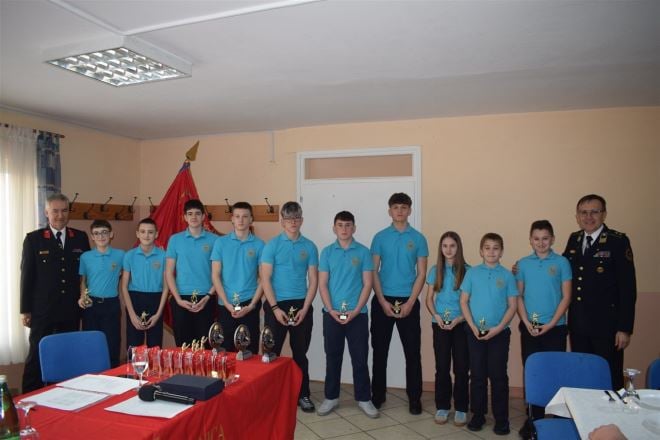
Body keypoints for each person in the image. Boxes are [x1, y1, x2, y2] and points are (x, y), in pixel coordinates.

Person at [563, 194, 636, 391]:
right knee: (583, 374)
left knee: (609, 375)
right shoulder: (574, 239)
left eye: (594, 212)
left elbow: (628, 288)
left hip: (607, 327)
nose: (588, 217)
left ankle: (612, 411)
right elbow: (561, 269)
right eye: (583, 213)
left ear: (604, 214)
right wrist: (524, 269)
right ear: (577, 216)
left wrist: (624, 328)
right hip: (578, 324)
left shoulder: (617, 241)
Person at [20, 193, 90, 393]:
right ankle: (29, 398)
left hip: (70, 309)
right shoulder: (34, 239)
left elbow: (86, 273)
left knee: (67, 354)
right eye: (55, 211)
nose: (60, 215)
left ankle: (63, 395)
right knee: (36, 355)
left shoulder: (80, 237)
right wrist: (25, 310)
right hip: (43, 310)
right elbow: (26, 277)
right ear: (46, 212)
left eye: (64, 211)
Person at [370, 192, 428, 414]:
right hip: (383, 300)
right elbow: (373, 271)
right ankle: (378, 396)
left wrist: (411, 302)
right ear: (390, 211)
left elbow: (421, 273)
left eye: (404, 207)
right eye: (396, 207)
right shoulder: (380, 237)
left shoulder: (419, 239)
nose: (400, 211)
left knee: (412, 353)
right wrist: (382, 301)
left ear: (409, 210)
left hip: (408, 301)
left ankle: (415, 398)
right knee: (379, 352)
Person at [317, 211, 378, 418]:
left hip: (357, 315)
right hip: (331, 315)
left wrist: (356, 310)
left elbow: (368, 284)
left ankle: (364, 398)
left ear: (354, 228)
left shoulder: (363, 252)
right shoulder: (326, 252)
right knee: (332, 357)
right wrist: (330, 309)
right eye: (340, 225)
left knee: (360, 358)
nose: (344, 229)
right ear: (334, 228)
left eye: (348, 225)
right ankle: (331, 397)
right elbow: (322, 284)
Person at [261, 201, 319, 412]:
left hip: (301, 305)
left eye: (296, 218)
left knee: (300, 353)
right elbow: (265, 279)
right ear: (282, 222)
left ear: (301, 220)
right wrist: (275, 308)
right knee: (271, 354)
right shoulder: (272, 245)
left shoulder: (309, 246)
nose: (293, 222)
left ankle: (303, 395)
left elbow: (313, 280)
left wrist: (305, 307)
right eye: (288, 219)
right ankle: (270, 397)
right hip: (276, 304)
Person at [516, 220, 572, 439]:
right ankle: (534, 418)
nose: (541, 243)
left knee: (556, 371)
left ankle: (558, 417)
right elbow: (519, 296)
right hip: (530, 328)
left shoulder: (562, 262)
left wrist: (550, 324)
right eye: (536, 238)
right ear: (530, 240)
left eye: (545, 238)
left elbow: (566, 297)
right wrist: (526, 322)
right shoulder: (523, 264)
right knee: (533, 372)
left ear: (552, 239)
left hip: (555, 327)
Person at [460, 233, 517, 435]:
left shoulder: (507, 276)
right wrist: (472, 326)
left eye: (495, 248)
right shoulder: (472, 273)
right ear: (481, 251)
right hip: (474, 332)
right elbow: (463, 301)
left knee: (498, 376)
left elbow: (512, 306)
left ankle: (501, 419)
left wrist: (499, 328)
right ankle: (478, 415)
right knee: (477, 375)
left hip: (499, 333)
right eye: (487, 248)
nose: (491, 252)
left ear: (501, 251)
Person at [424, 231, 469, 426]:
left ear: (458, 248)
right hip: (440, 324)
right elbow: (429, 299)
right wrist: (436, 316)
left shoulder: (468, 271)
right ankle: (442, 406)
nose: (448, 250)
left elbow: (471, 302)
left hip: (461, 324)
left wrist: (460, 319)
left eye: (452, 246)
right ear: (440, 248)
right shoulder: (435, 270)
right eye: (445, 246)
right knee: (442, 367)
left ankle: (461, 408)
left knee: (461, 367)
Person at [211, 202, 264, 354]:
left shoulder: (260, 245)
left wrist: (252, 305)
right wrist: (227, 304)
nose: (241, 220)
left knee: (249, 352)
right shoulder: (220, 243)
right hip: (225, 304)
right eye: (237, 216)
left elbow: (264, 278)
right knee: (225, 351)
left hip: (249, 304)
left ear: (251, 219)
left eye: (245, 216)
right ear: (232, 219)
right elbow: (215, 275)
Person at [165, 199, 218, 346]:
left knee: (205, 346)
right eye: (190, 214)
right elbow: (168, 272)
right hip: (181, 298)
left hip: (206, 298)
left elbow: (219, 273)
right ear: (184, 217)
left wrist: (208, 296)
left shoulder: (215, 240)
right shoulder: (175, 240)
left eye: (197, 213)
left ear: (203, 216)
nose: (193, 217)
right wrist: (177, 299)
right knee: (183, 346)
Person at [78, 219, 125, 367]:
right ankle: (92, 375)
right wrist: (83, 296)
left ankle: (113, 375)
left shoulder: (121, 255)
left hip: (111, 304)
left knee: (112, 343)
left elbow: (127, 276)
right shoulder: (85, 257)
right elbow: (83, 281)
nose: (101, 236)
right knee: (91, 343)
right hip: (91, 305)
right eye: (96, 233)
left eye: (104, 232)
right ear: (92, 237)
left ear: (111, 234)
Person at [121, 218, 169, 348]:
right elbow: (124, 287)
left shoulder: (164, 256)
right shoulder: (129, 255)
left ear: (156, 234)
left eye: (150, 232)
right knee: (133, 346)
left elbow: (166, 288)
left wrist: (158, 314)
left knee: (155, 345)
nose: (146, 235)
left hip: (156, 300)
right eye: (142, 231)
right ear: (137, 234)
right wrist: (131, 314)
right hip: (135, 300)